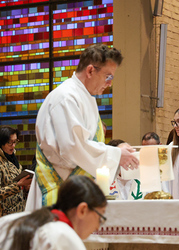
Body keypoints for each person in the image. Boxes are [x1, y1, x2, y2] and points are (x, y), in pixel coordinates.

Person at [26, 44, 139, 210]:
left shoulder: (86, 97)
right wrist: (115, 154)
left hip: (74, 187)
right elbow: (72, 147)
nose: (109, 84)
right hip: (58, 184)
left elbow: (87, 143)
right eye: (108, 77)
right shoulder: (66, 97)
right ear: (91, 70)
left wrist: (117, 152)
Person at [0, 175, 107, 250]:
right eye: (100, 217)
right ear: (82, 210)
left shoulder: (13, 219)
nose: (98, 227)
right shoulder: (65, 238)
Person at [0, 126, 32, 217]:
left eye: (15, 142)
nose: (13, 146)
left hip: (18, 211)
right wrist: (17, 185)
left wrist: (25, 187)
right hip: (4, 216)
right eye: (10, 142)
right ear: (1, 142)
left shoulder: (12, 157)